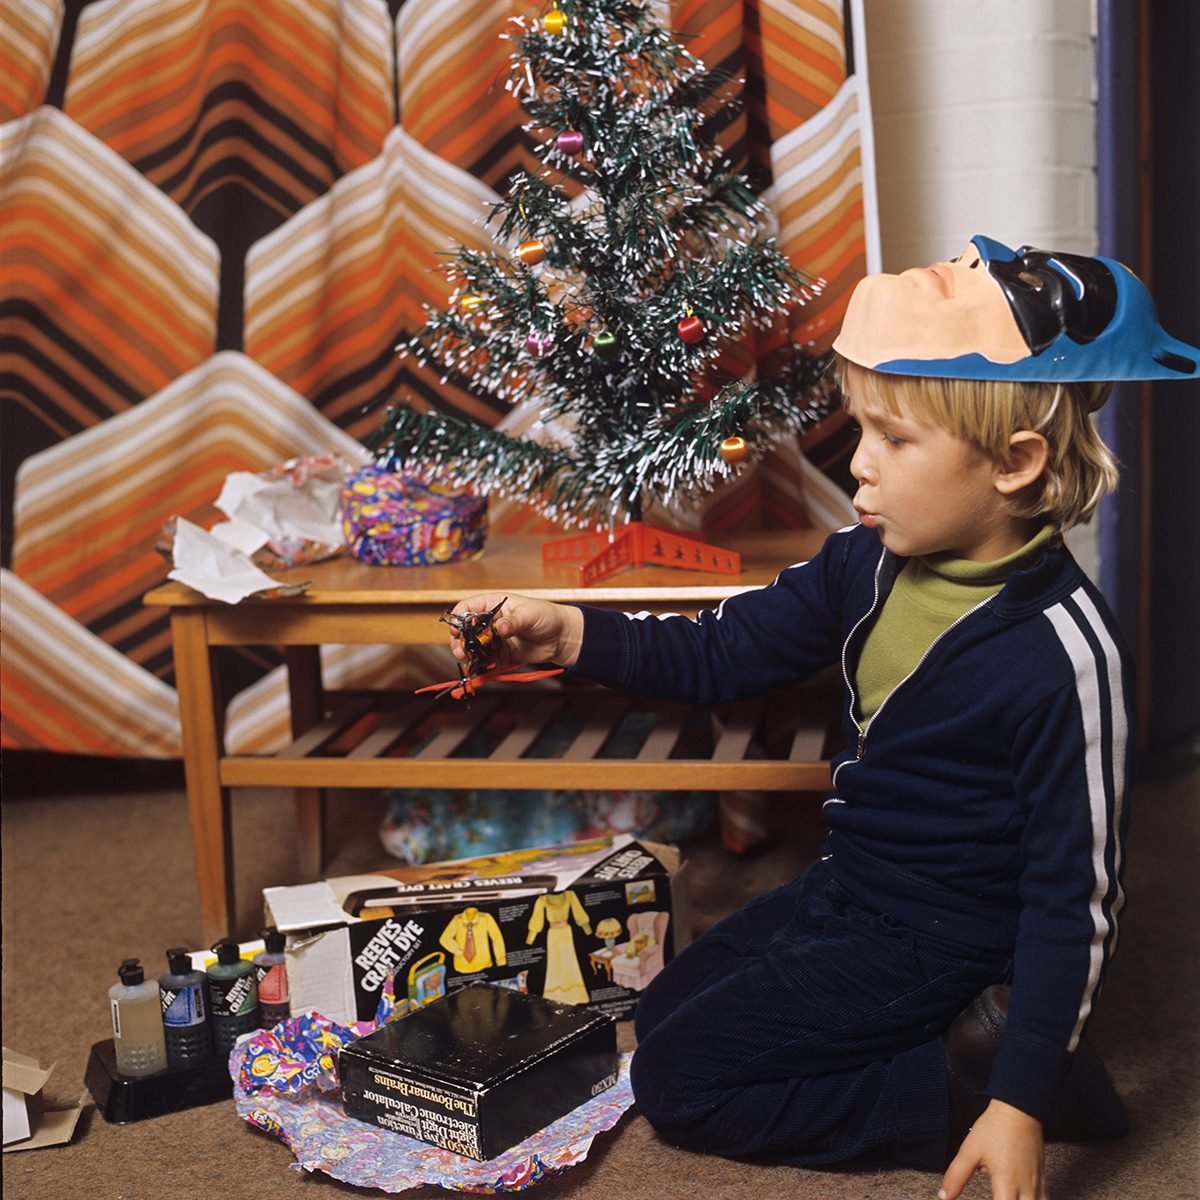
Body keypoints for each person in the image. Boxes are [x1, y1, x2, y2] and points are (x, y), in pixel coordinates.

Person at [441, 235, 1199, 1200]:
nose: (859, 468)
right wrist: (571, 639)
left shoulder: (1067, 656)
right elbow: (724, 652)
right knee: (662, 1015)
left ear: (1013, 463)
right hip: (853, 886)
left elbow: (1077, 899)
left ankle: (965, 1083)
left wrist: (1022, 1100)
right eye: (860, 430)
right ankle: (956, 1033)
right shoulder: (864, 559)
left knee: (681, 1083)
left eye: (895, 440)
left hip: (944, 935)